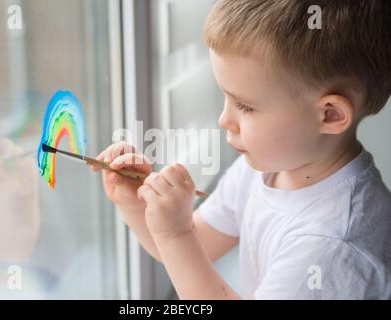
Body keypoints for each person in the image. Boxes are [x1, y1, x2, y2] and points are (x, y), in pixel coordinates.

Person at [91, 0, 391, 299]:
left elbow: (182, 243)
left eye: (245, 106)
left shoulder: (331, 245)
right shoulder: (262, 168)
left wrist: (175, 234)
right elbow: (194, 249)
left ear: (330, 115)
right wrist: (136, 205)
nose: (224, 120)